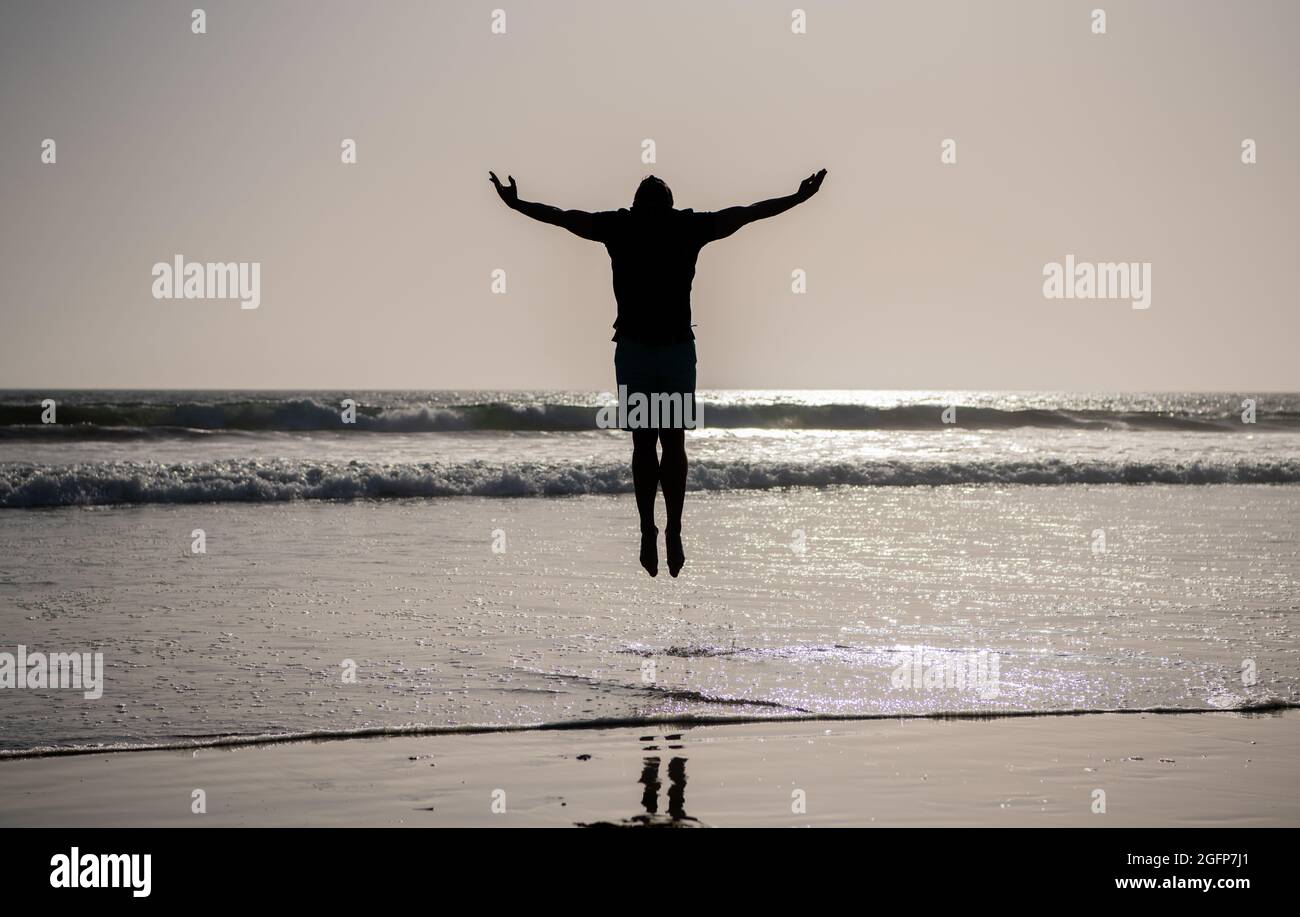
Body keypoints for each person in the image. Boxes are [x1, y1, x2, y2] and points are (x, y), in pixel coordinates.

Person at [489, 168, 828, 577]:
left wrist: (516, 203)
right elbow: (749, 212)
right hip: (669, 352)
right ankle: (666, 530)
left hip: (640, 351)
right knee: (669, 443)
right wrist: (798, 197)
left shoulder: (624, 225)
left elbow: (562, 216)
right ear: (665, 204)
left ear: (643, 204)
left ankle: (655, 529)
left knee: (647, 445)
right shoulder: (683, 226)